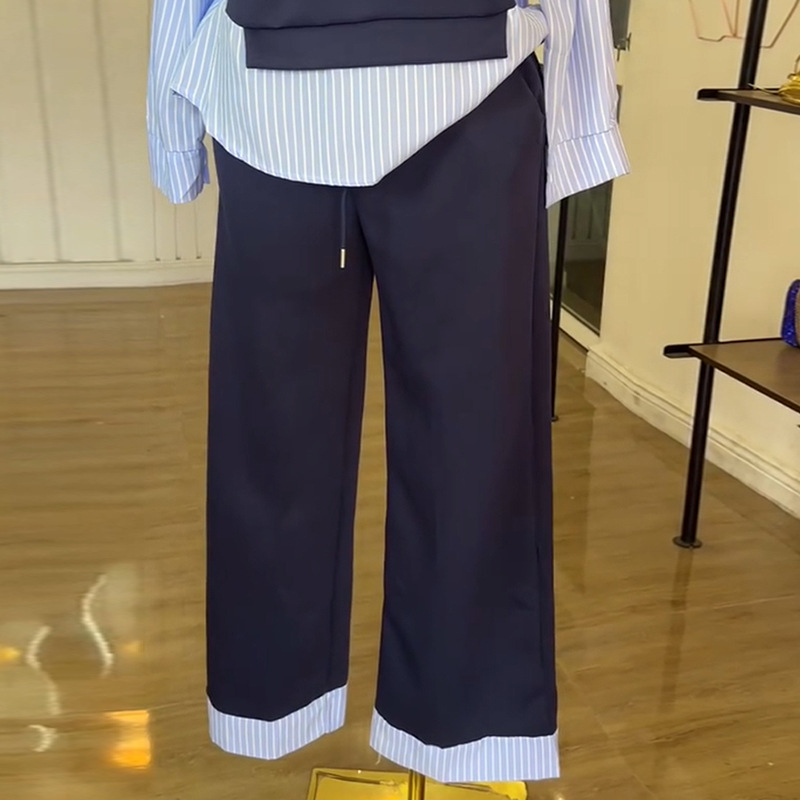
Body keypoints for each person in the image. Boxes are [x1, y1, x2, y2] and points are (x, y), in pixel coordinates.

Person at [147, 0, 628, 784]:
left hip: (282, 102)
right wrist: (582, 128)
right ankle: (467, 725)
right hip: (458, 90)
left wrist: (173, 124)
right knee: (473, 436)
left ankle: (270, 705)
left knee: (273, 439)